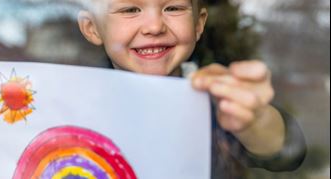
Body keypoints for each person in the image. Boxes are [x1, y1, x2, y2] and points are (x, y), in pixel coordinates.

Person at [75, 0, 306, 178]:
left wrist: (255, 120)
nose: (154, 27)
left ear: (198, 24)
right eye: (130, 10)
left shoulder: (215, 98)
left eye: (173, 8)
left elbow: (285, 155)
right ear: (92, 28)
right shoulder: (74, 105)